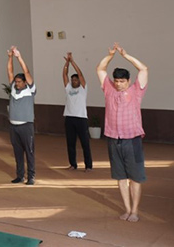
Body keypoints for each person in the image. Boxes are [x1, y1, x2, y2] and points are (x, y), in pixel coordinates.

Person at [97, 42, 149, 223]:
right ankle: (127, 209)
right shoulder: (109, 90)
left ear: (128, 81)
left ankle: (135, 210)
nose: (119, 84)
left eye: (122, 81)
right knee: (120, 177)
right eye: (117, 81)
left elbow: (143, 69)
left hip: (132, 140)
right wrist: (110, 55)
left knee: (135, 177)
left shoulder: (136, 91)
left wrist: (126, 56)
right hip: (113, 139)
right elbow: (100, 68)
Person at [7, 45, 36, 185]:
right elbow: (10, 71)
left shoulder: (30, 89)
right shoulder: (13, 87)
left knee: (29, 152)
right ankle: (20, 176)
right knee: (18, 153)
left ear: (25, 82)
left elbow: (27, 71)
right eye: (16, 82)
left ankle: (31, 176)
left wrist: (19, 57)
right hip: (14, 126)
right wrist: (10, 58)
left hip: (26, 126)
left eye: (19, 82)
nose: (16, 83)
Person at [62, 52, 92, 171]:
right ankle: (73, 164)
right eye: (72, 80)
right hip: (69, 118)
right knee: (70, 143)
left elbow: (80, 73)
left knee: (85, 143)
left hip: (81, 119)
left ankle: (88, 166)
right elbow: (64, 74)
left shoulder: (83, 89)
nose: (74, 81)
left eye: (76, 80)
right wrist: (67, 63)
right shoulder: (68, 88)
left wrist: (73, 62)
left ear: (79, 81)